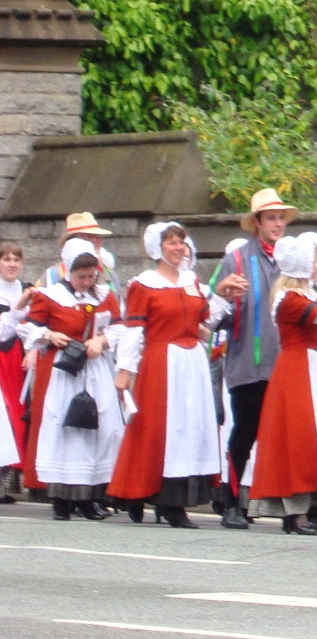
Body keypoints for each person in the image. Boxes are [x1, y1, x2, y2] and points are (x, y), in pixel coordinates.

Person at [108, 222, 228, 528]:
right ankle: (150, 496)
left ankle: (173, 499)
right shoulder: (144, 285)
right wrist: (125, 372)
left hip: (192, 363)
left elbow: (206, 322)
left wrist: (223, 295)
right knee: (160, 431)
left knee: (190, 430)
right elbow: (134, 331)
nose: (178, 248)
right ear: (157, 248)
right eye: (172, 243)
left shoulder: (192, 281)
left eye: (181, 243)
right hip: (163, 363)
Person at [248, 236, 317, 535]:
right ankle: (295, 512)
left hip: (310, 364)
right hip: (298, 367)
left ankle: (308, 507)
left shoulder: (300, 295)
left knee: (316, 435)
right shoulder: (290, 299)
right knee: (299, 438)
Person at [209, 187, 298, 529]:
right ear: (256, 223)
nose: (278, 224)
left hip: (286, 363)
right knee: (244, 435)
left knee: (282, 439)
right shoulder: (235, 259)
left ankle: (288, 511)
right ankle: (231, 502)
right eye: (271, 218)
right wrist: (224, 295)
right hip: (248, 363)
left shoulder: (292, 257)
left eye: (281, 218)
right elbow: (212, 314)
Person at [20, 244, 124, 520]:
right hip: (64, 372)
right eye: (82, 277)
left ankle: (90, 498)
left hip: (95, 370)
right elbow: (28, 326)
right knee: (66, 431)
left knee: (100, 427)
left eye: (92, 276)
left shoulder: (103, 296)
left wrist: (101, 341)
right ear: (69, 272)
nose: (89, 282)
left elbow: (119, 327)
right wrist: (50, 336)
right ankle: (61, 500)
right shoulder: (50, 296)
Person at [0, 240, 31, 500]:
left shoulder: (28, 289)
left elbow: (35, 325)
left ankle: (11, 476)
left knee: (17, 414)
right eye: (6, 259)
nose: (11, 264)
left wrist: (32, 351)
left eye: (16, 259)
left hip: (19, 359)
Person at [43, 214, 120, 293]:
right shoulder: (53, 274)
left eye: (97, 236)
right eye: (87, 236)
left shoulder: (108, 272)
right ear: (71, 241)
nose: (94, 240)